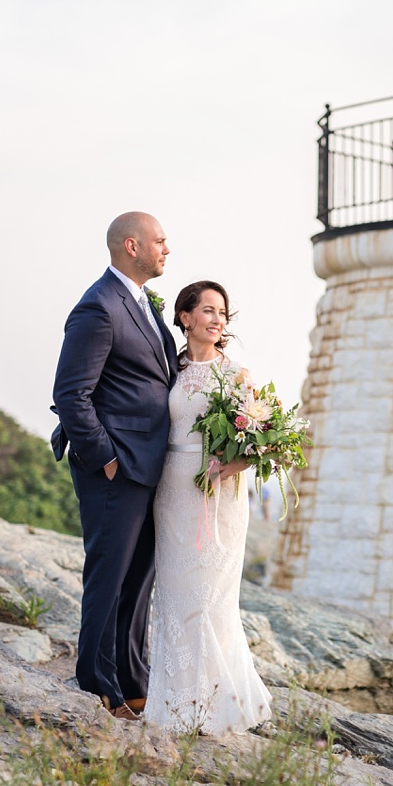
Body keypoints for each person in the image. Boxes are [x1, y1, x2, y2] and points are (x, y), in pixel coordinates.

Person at [51, 211, 175, 722]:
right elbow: (70, 395)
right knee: (109, 578)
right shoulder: (99, 307)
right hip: (117, 468)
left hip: (148, 467)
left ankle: (131, 680)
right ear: (132, 245)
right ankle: (97, 687)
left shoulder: (140, 303)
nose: (167, 249)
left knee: (138, 580)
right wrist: (105, 459)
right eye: (160, 241)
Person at [142, 279, 274, 735]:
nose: (218, 320)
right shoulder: (168, 369)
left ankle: (218, 703)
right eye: (209, 311)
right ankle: (175, 702)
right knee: (176, 593)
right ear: (185, 318)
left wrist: (225, 469)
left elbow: (261, 445)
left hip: (217, 497)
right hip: (171, 490)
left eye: (223, 313)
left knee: (213, 596)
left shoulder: (237, 376)